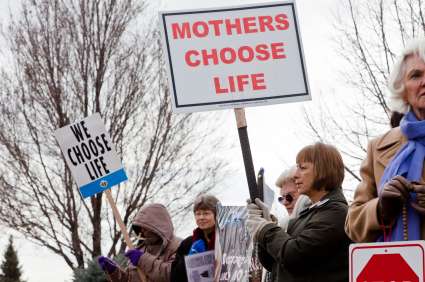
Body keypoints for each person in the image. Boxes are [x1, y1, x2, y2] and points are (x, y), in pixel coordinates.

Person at [345, 38, 425, 242]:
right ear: (403, 91)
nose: (424, 81)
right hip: (397, 270)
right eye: (415, 75)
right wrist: (381, 209)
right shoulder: (378, 147)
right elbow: (352, 224)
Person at [247, 142, 351, 282]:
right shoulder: (311, 214)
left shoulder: (336, 213)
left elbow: (294, 256)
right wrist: (266, 227)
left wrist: (265, 229)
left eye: (302, 168)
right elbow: (274, 264)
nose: (296, 174)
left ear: (323, 170)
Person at [97, 203, 181, 282]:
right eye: (140, 227)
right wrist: (114, 272)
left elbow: (173, 275)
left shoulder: (179, 246)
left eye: (145, 226)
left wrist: (142, 259)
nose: (142, 231)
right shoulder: (141, 249)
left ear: (157, 225)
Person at [170, 194, 219, 282]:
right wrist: (188, 260)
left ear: (217, 214)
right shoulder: (188, 243)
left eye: (206, 213)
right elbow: (174, 277)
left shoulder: (227, 239)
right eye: (198, 214)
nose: (201, 217)